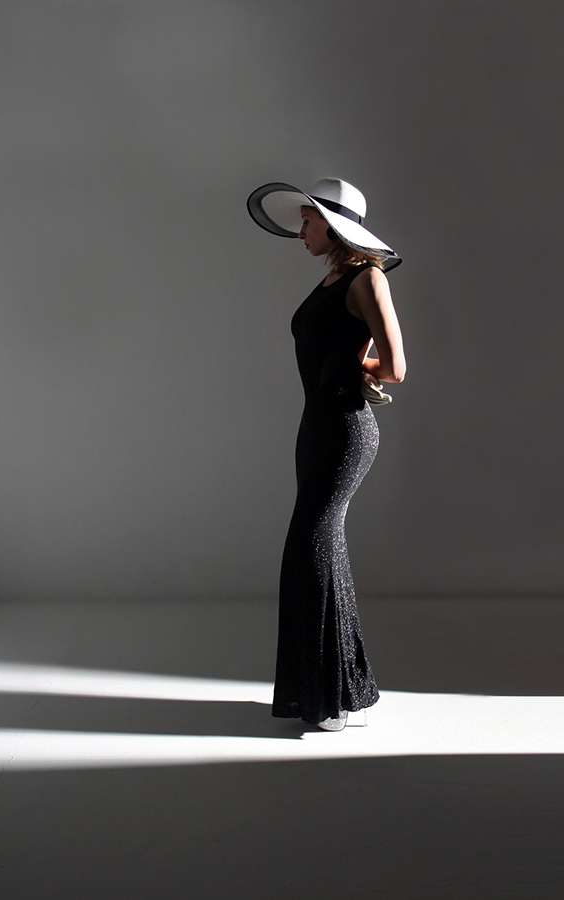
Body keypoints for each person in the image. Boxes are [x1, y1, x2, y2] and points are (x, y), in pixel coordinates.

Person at [246, 178, 406, 731]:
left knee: (308, 552)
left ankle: (325, 699)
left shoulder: (368, 278)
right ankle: (338, 693)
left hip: (344, 431)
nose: (301, 232)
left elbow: (395, 367)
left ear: (334, 226)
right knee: (322, 552)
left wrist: (357, 371)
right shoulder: (332, 279)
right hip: (314, 428)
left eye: (307, 221)